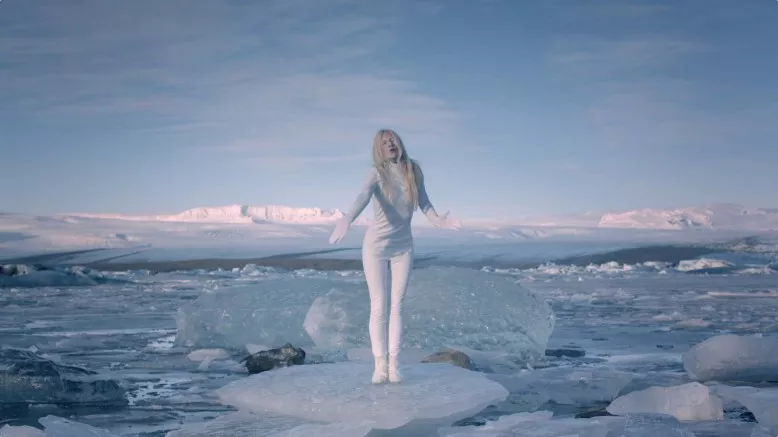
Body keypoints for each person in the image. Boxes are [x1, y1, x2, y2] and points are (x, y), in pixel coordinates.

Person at [329, 128, 461, 384]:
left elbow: (424, 202)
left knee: (397, 306)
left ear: (399, 143)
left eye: (392, 140)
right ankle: (380, 365)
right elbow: (362, 197)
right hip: (376, 247)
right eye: (384, 142)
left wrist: (439, 221)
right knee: (379, 305)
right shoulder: (376, 173)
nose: (390, 144)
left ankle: (395, 365)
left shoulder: (413, 170)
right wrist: (346, 218)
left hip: (403, 247)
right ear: (378, 149)